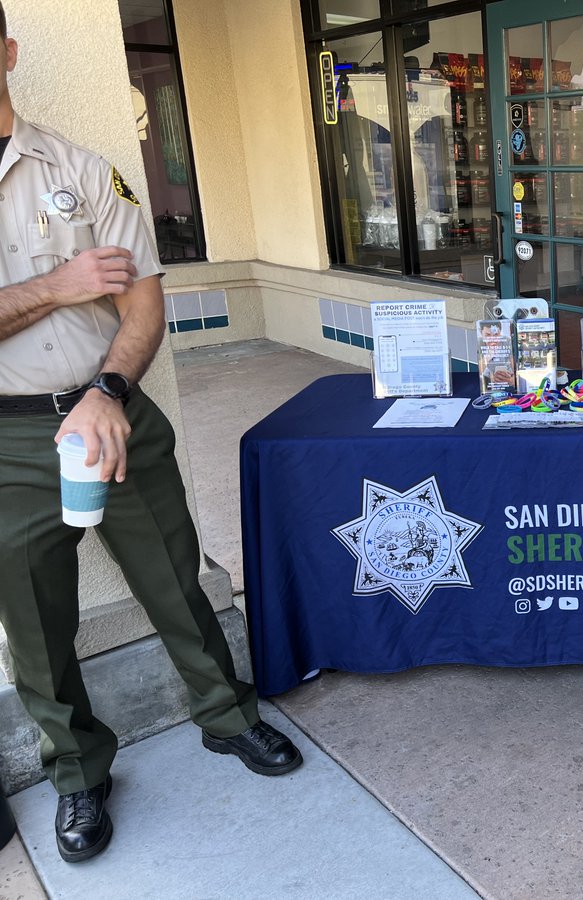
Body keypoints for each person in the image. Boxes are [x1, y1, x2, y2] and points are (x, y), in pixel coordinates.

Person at [0, 4, 301, 864]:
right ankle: (77, 775)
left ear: (8, 51)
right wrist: (59, 285)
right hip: (7, 439)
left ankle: (227, 716)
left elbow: (142, 301)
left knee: (175, 578)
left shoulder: (83, 170)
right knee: (34, 620)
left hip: (115, 410)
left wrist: (107, 390)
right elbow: (82, 288)